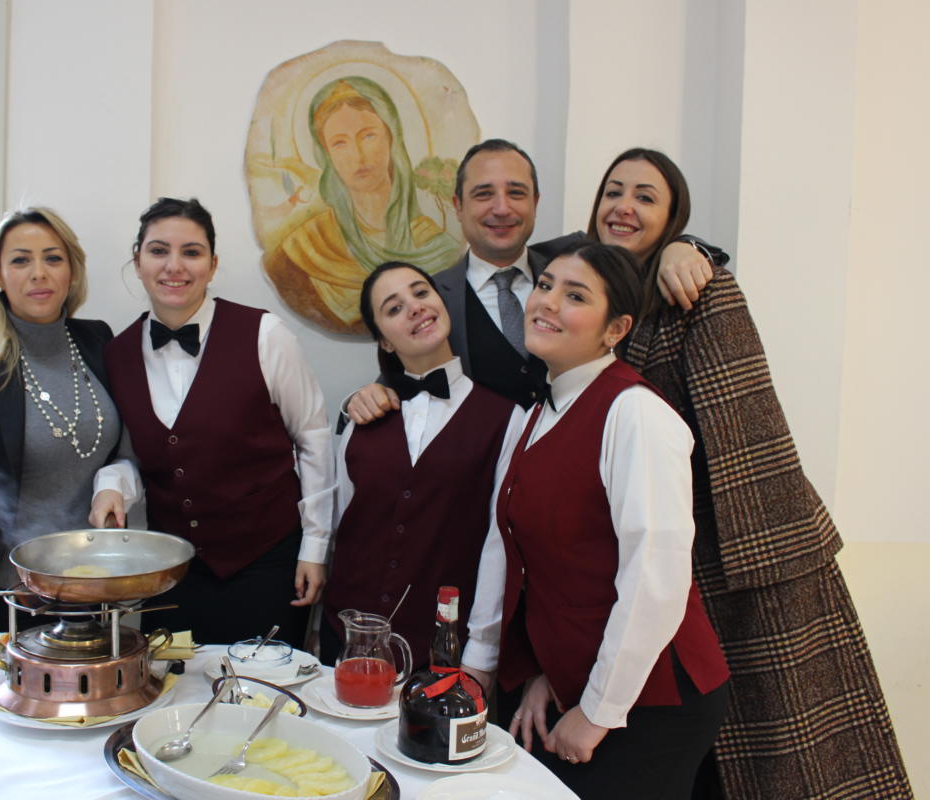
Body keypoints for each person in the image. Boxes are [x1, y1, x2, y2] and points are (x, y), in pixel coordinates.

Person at [586, 147, 913, 798]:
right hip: (653, 552)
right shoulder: (597, 296)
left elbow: (749, 429)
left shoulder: (702, 289)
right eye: (613, 191)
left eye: (646, 197)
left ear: (673, 218)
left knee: (785, 755)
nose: (624, 206)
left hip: (743, 551)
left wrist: (690, 251)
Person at [467, 242, 730, 799]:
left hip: (655, 698)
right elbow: (505, 549)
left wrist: (597, 711)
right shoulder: (532, 416)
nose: (547, 302)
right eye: (545, 286)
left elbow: (654, 580)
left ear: (616, 329)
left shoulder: (637, 414)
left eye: (576, 296)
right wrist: (508, 668)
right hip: (575, 684)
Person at [90, 197, 334, 648]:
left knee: (267, 686)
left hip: (268, 563)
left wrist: (316, 548)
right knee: (176, 687)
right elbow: (130, 454)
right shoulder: (116, 354)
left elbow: (313, 439)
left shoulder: (266, 335)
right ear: (138, 262)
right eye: (158, 251)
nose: (174, 266)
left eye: (191, 252)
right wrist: (111, 487)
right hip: (172, 571)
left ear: (213, 264)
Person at [346, 138, 724, 420]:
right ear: (458, 206)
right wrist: (359, 402)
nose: (502, 208)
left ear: (535, 202)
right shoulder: (430, 298)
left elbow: (636, 245)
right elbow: (401, 377)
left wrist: (686, 245)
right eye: (483, 194)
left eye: (516, 193)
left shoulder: (580, 260)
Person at [0, 207, 124, 641]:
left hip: (96, 589)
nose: (39, 272)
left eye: (53, 258)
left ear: (72, 272)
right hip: (12, 596)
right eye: (21, 260)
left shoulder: (98, 340)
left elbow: (123, 449)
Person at [322, 261, 521, 667]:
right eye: (394, 308)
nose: (415, 307)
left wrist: (483, 651)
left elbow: (498, 545)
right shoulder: (360, 417)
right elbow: (340, 524)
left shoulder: (507, 418)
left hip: (442, 646)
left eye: (421, 292)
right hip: (347, 636)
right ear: (385, 341)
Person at [265, 76, 461, 334]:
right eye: (340, 143)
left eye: (368, 136)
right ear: (326, 155)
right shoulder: (302, 252)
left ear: (391, 138)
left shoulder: (438, 247)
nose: (358, 156)